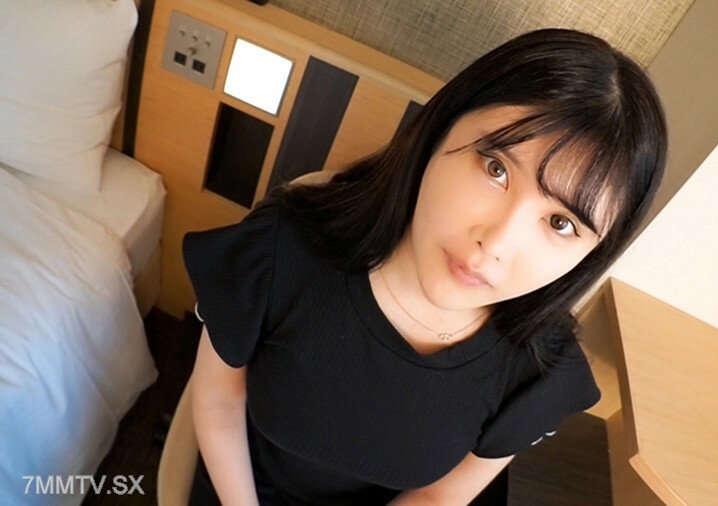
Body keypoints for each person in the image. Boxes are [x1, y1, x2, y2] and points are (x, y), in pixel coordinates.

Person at [183, 27, 667, 505]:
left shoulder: (540, 375)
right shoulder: (279, 252)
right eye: (496, 168)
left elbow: (438, 495)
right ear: (440, 129)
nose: (495, 244)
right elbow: (219, 401)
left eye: (561, 223)